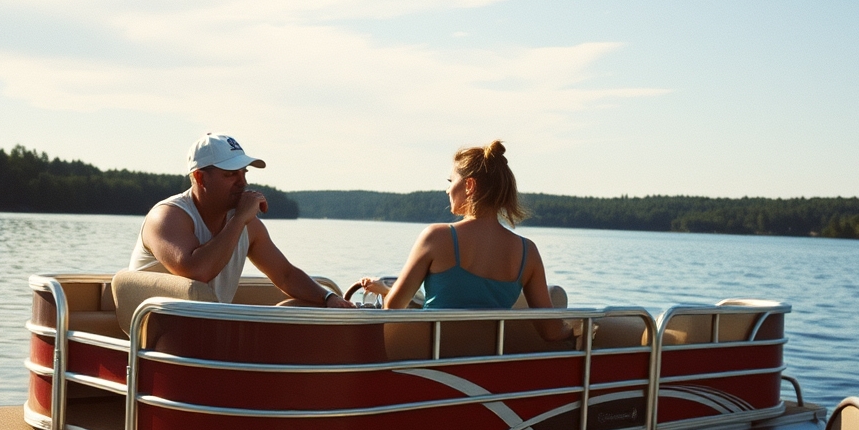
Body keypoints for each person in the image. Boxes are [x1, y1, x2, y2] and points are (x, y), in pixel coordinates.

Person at [358, 141, 572, 340]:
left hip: (435, 358)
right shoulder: (528, 252)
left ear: (469, 185)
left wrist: (388, 293)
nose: (447, 190)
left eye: (451, 181)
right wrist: (579, 329)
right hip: (487, 361)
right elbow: (551, 330)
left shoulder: (436, 237)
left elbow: (393, 308)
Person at [130, 133, 354, 308]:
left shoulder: (248, 224)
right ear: (200, 177)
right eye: (230, 175)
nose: (242, 183)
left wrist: (329, 298)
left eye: (243, 173)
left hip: (207, 331)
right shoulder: (166, 216)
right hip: (155, 334)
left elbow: (285, 275)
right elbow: (197, 271)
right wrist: (238, 220)